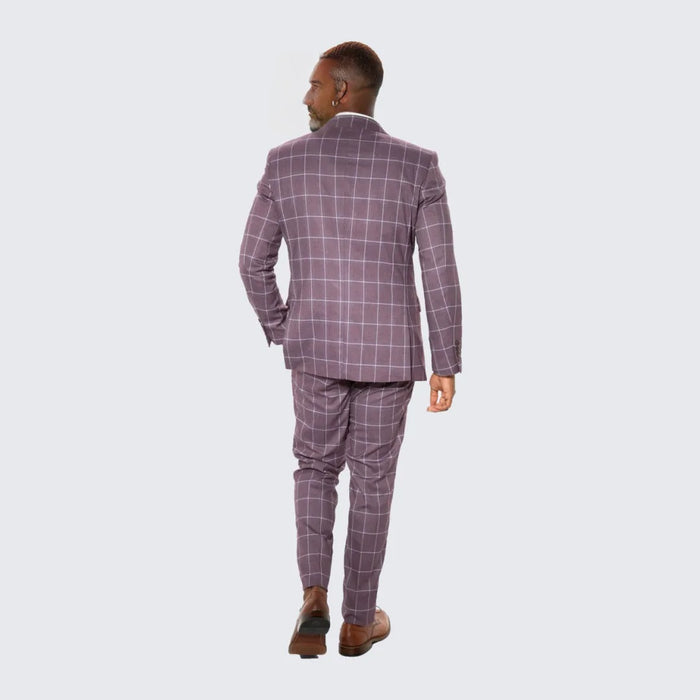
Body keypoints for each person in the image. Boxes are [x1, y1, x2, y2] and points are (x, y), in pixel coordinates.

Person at [239, 41, 462, 658]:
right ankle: (359, 623)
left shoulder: (285, 162)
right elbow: (439, 271)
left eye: (314, 85)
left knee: (315, 468)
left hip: (314, 348)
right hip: (390, 354)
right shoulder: (418, 166)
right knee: (373, 481)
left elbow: (251, 262)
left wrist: (285, 326)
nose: (305, 96)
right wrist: (445, 360)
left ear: (342, 90)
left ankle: (314, 596)